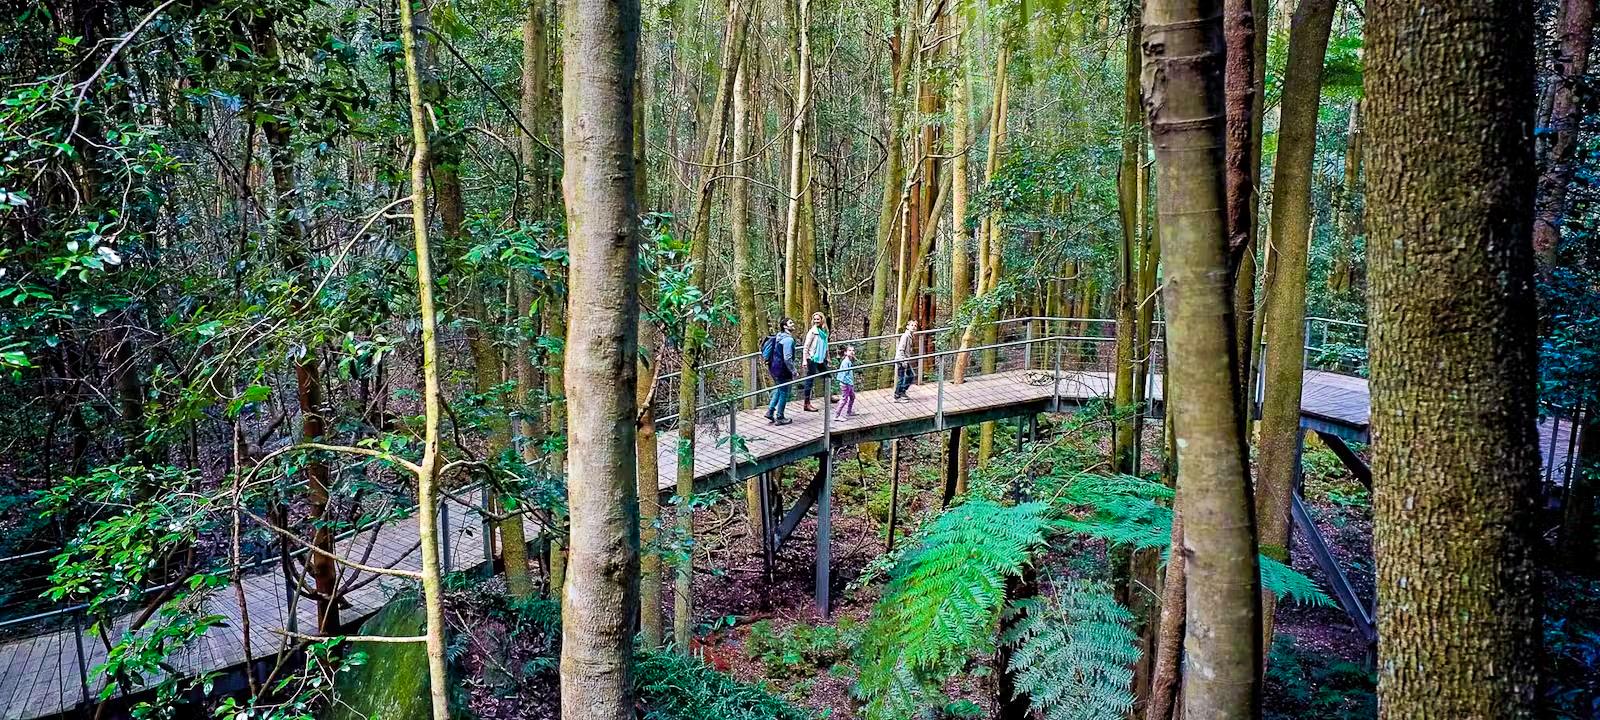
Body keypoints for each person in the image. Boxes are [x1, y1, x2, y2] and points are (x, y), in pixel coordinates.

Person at [764, 318, 798, 425]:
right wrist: (793, 371)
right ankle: (780, 417)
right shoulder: (788, 340)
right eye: (790, 323)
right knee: (784, 392)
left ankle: (770, 411)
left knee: (779, 389)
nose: (793, 324)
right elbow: (787, 358)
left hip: (774, 367)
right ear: (785, 326)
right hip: (782, 369)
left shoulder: (779, 336)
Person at [802, 312, 830, 412]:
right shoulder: (812, 332)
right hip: (812, 358)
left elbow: (826, 346)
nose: (816, 321)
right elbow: (806, 347)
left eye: (818, 319)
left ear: (822, 320)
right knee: (810, 380)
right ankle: (806, 403)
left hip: (821, 358)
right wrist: (805, 360)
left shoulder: (824, 331)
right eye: (815, 319)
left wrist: (828, 357)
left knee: (827, 375)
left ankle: (828, 396)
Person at [893, 319, 917, 401]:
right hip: (901, 359)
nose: (913, 327)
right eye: (912, 325)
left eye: (915, 326)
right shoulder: (905, 336)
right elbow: (901, 349)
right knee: (902, 378)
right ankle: (897, 395)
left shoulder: (910, 336)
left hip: (906, 359)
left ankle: (902, 391)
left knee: (911, 375)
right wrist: (903, 361)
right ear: (907, 327)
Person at [834, 345, 857, 420]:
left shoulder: (849, 361)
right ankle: (837, 415)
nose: (852, 352)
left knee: (852, 397)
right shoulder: (846, 362)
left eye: (853, 350)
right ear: (845, 352)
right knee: (844, 399)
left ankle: (849, 411)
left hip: (849, 383)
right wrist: (847, 383)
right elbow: (844, 374)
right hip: (846, 384)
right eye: (849, 350)